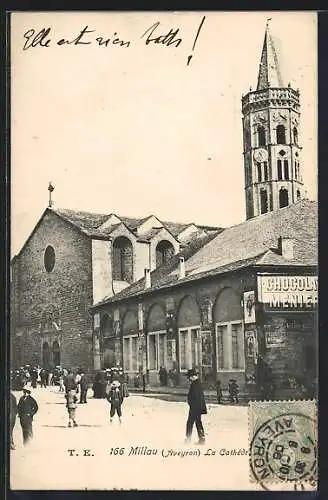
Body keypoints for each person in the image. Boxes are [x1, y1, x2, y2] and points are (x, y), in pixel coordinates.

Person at [185, 368, 207, 444]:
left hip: (194, 408)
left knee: (190, 423)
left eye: (189, 377)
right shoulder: (198, 383)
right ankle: (202, 439)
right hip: (198, 407)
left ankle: (188, 439)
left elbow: (194, 396)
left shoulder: (195, 384)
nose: (189, 379)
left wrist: (191, 404)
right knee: (198, 422)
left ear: (193, 376)